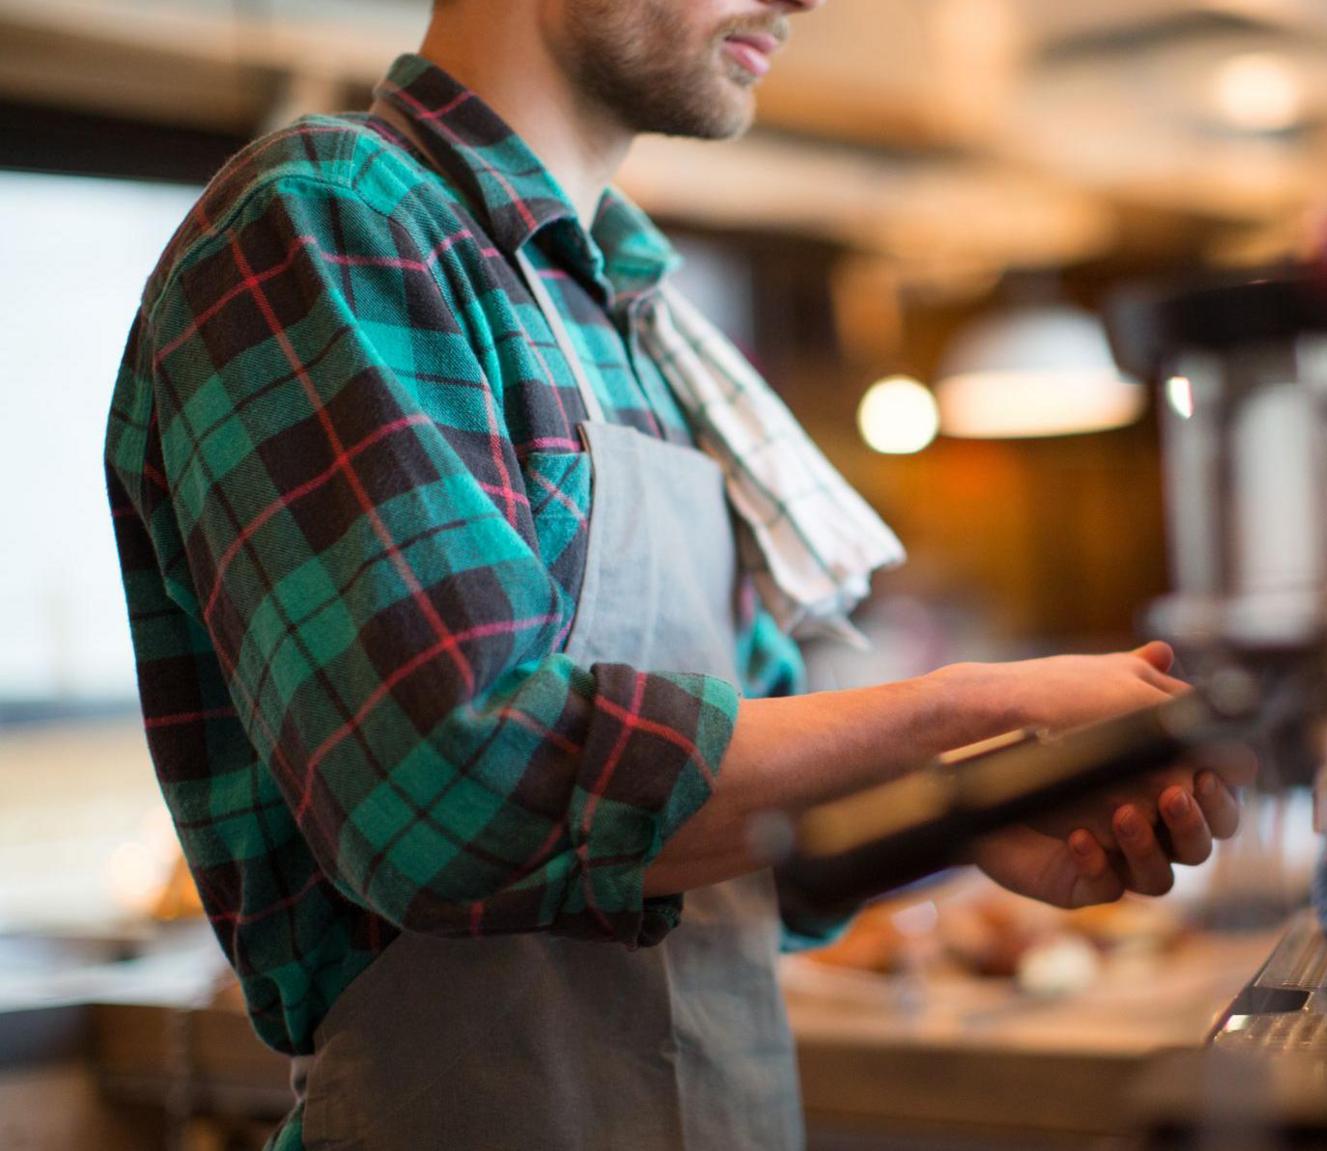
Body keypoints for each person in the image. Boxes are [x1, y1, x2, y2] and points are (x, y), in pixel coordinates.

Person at [103, 2, 1241, 1148]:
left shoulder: (640, 331)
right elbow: (455, 793)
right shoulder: (329, 221)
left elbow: (734, 861)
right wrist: (971, 703)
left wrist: (974, 803)